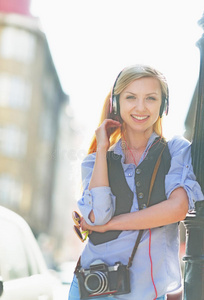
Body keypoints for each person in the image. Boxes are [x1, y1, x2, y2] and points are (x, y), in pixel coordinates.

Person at [68, 64, 203, 300]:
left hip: (147, 292)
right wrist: (102, 149)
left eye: (151, 98)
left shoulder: (175, 150)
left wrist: (111, 225)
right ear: (116, 104)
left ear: (164, 105)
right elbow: (98, 216)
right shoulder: (95, 160)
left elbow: (177, 209)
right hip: (93, 287)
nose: (141, 107)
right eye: (131, 97)